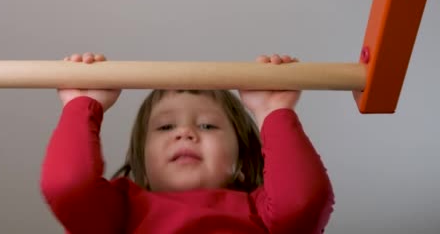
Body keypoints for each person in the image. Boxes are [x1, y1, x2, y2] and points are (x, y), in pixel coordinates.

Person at [41, 52, 334, 233]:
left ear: (243, 153)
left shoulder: (261, 211)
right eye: (166, 126)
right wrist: (83, 104)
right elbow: (69, 186)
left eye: (207, 125)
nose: (185, 133)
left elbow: (301, 202)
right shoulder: (120, 211)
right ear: (142, 156)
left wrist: (272, 111)